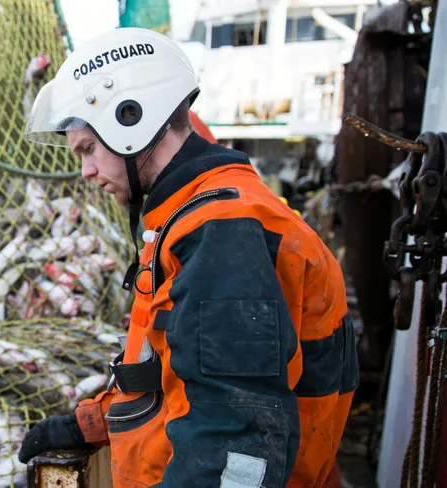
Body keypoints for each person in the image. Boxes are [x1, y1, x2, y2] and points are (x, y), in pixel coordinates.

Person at [18, 28, 357, 487]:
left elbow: (236, 437)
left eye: (88, 149)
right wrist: (91, 424)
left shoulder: (221, 232)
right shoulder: (191, 220)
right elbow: (174, 375)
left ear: (130, 119)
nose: (86, 172)